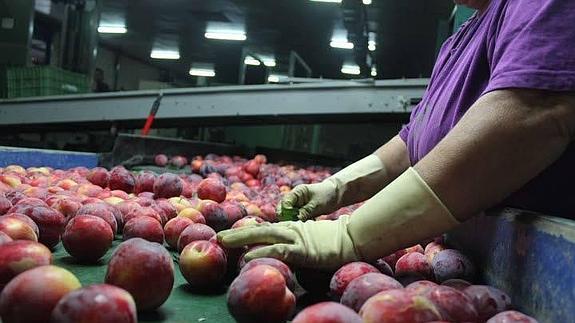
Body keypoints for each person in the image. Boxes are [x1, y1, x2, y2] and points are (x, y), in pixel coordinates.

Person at [218, 0, 575, 270]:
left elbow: (532, 111)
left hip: (542, 264)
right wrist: (338, 187)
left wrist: (351, 236)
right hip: (467, 251)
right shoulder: (459, 42)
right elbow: (413, 140)